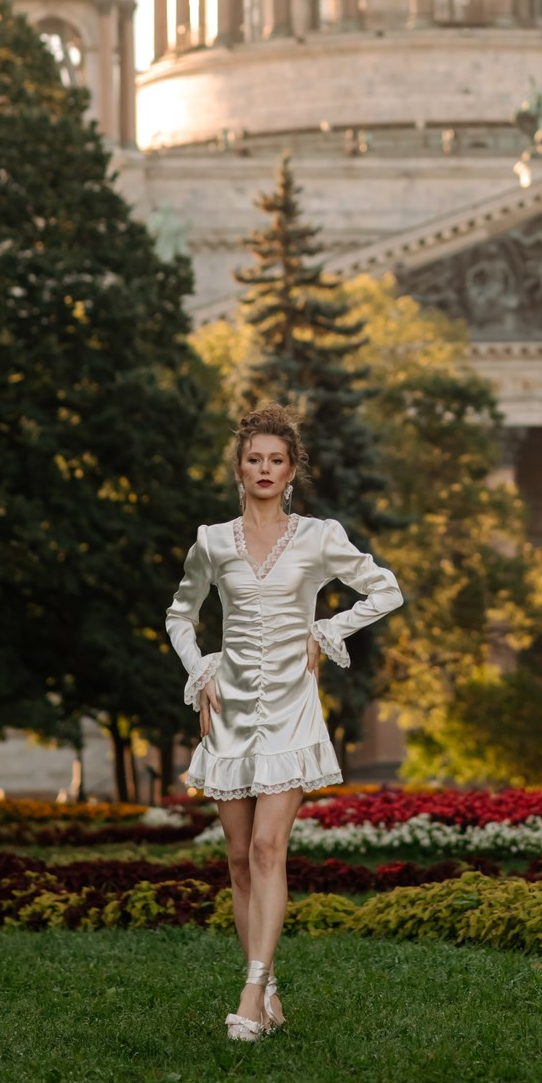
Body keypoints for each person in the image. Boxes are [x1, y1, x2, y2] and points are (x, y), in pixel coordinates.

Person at [165, 403, 403, 1043]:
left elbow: (385, 590)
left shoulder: (319, 536)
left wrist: (328, 631)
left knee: (271, 849)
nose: (264, 469)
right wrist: (201, 672)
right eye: (253, 459)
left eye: (276, 460)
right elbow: (179, 615)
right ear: (239, 470)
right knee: (239, 859)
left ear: (291, 470)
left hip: (292, 708)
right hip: (232, 710)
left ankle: (249, 991)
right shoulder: (212, 541)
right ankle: (267, 984)